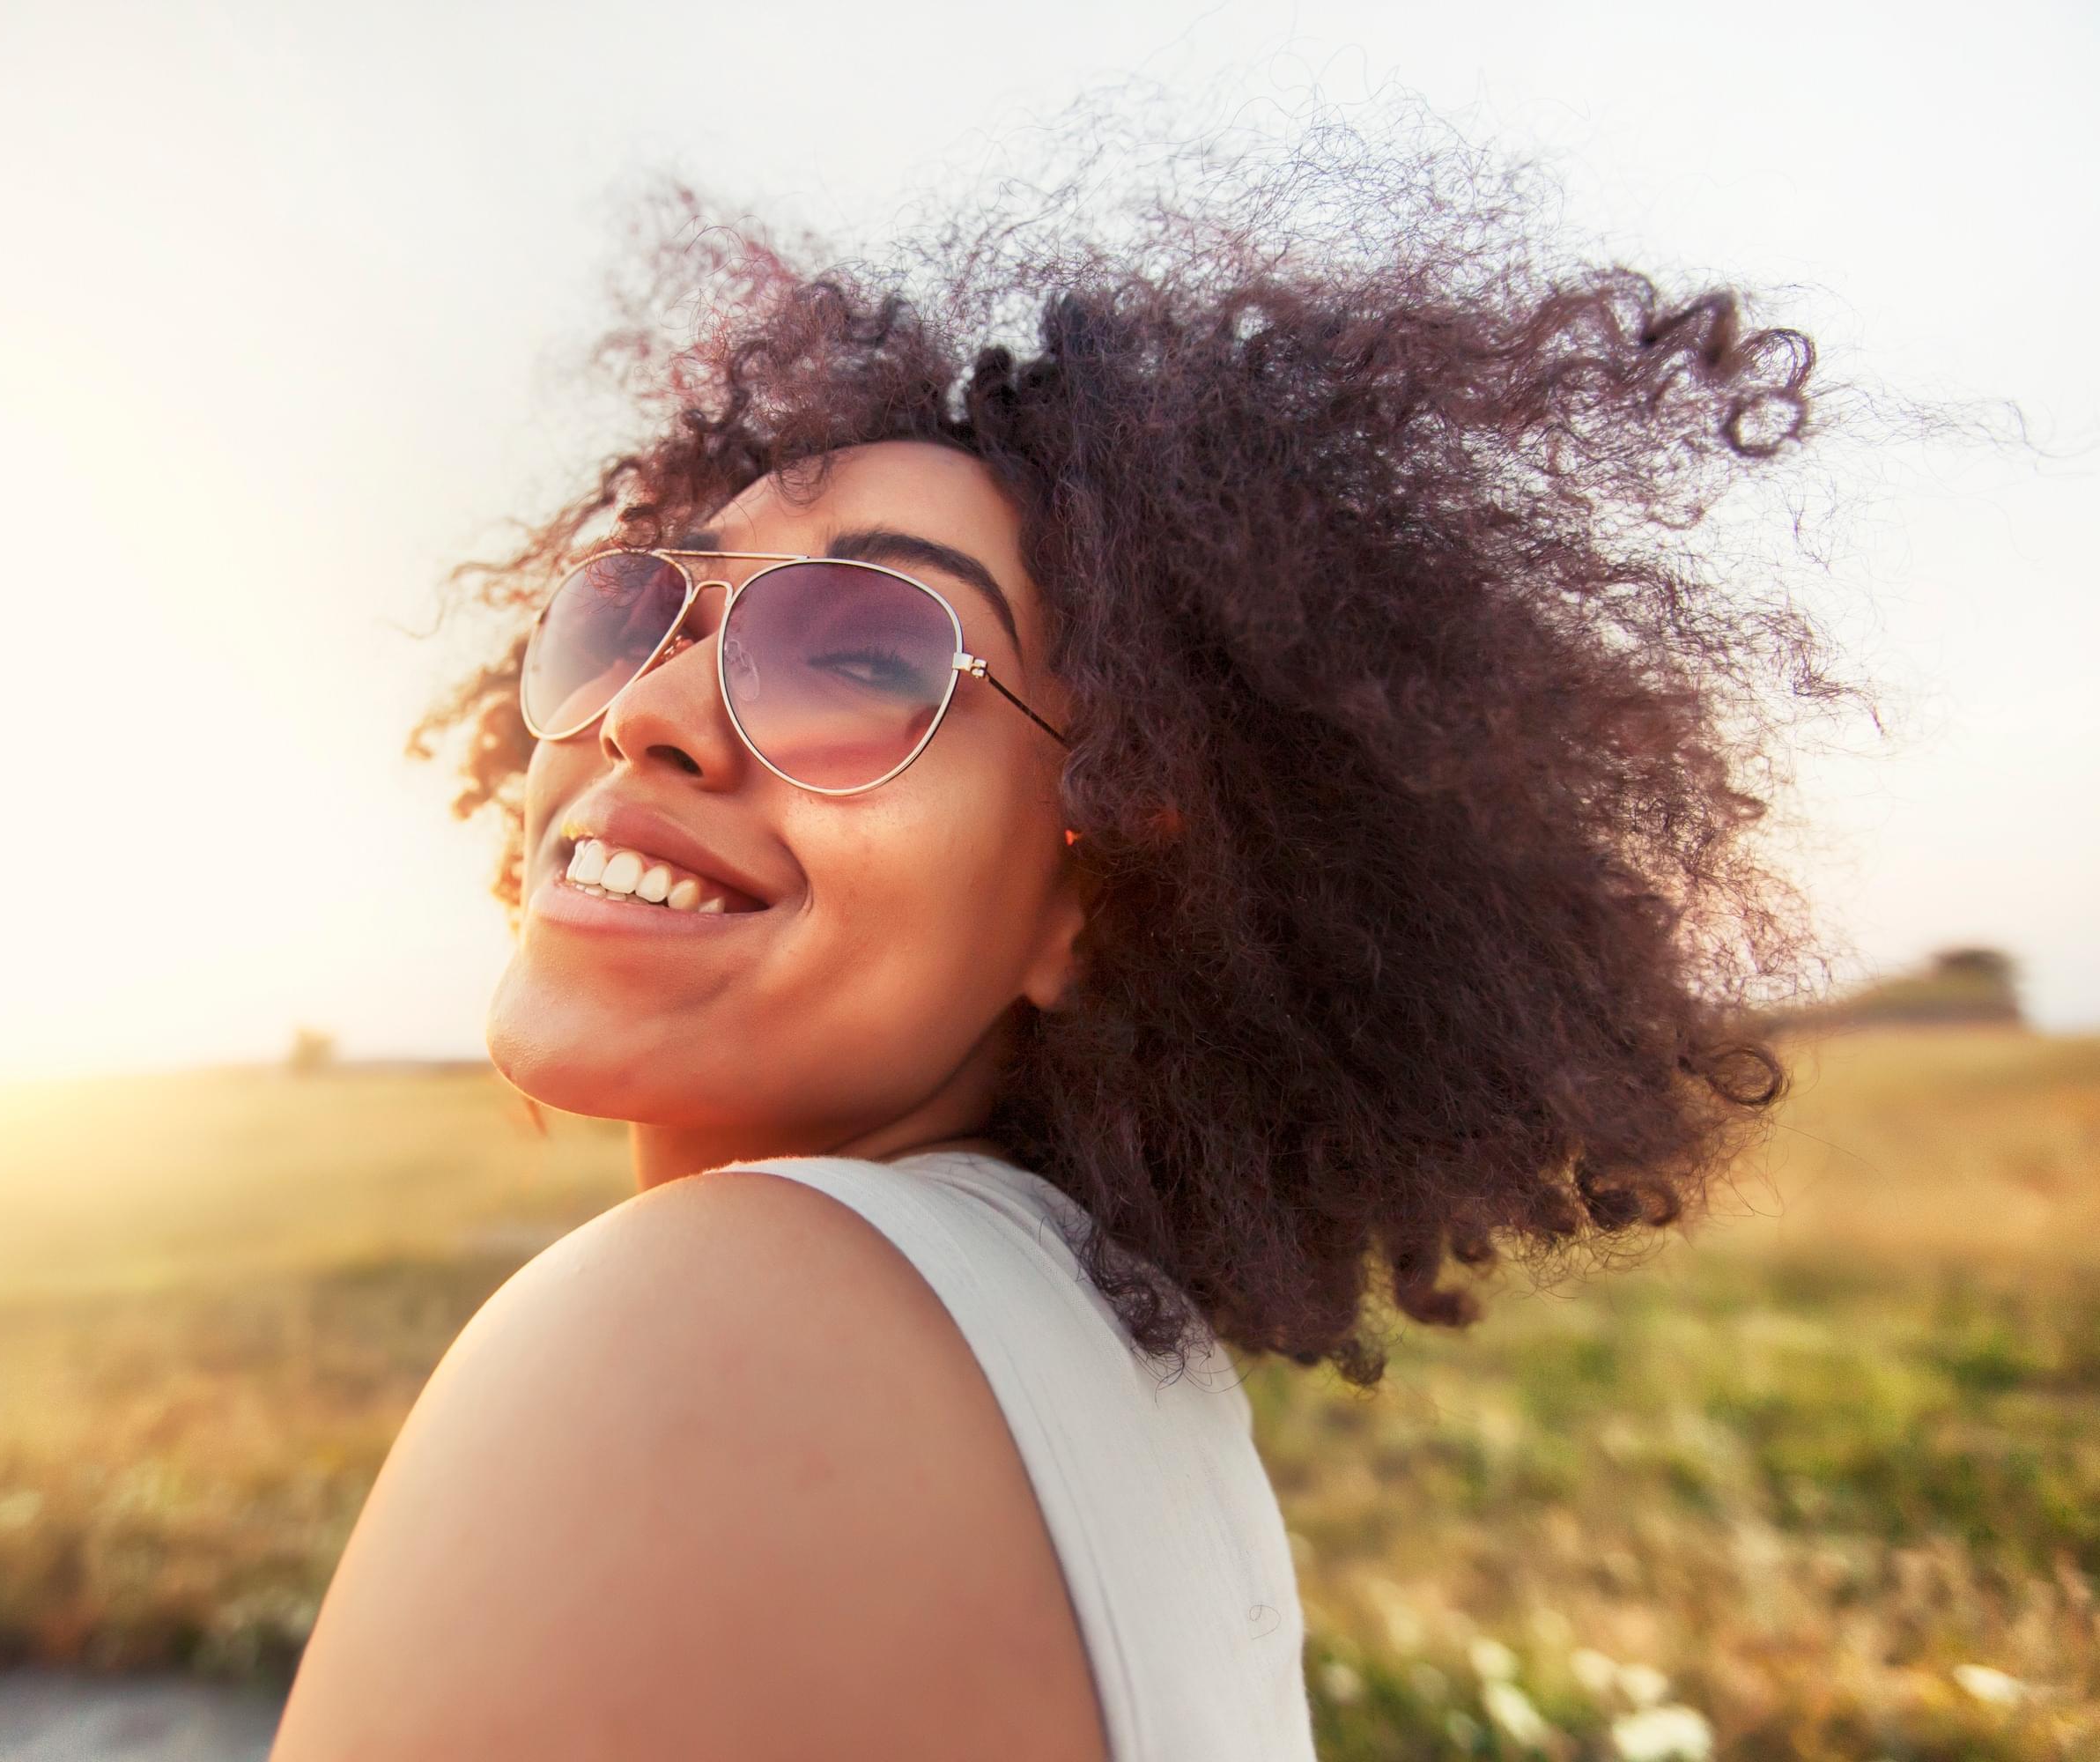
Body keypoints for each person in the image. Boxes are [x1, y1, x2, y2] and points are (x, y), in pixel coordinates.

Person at [269, 100, 1846, 1762]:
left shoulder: (712, 1317)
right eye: (639, 609)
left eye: (863, 656)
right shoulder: (1086, 1365)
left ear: (1090, 898)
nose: (653, 710)